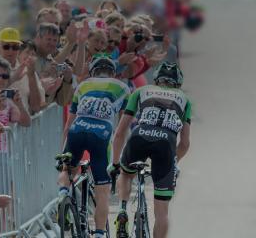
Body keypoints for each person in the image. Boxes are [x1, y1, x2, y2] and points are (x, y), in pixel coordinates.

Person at [111, 62, 192, 238]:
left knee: (126, 174)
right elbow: (185, 144)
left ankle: (123, 210)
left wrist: (115, 164)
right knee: (162, 213)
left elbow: (119, 133)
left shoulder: (141, 91)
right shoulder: (184, 99)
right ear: (178, 84)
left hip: (139, 136)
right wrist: (173, 161)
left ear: (156, 80)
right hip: (166, 143)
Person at [58, 55, 130, 238]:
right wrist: (119, 159)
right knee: (102, 190)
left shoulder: (83, 85)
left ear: (92, 72)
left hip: (77, 130)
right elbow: (123, 128)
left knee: (68, 168)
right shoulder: (122, 87)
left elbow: (68, 125)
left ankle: (62, 194)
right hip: (102, 134)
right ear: (113, 73)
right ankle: (98, 234)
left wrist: (62, 154)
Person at [0, 28, 43, 114]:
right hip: (0, 126)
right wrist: (12, 79)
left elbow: (36, 107)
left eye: (15, 47)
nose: (11, 51)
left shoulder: (28, 69)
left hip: (23, 125)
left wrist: (31, 76)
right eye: (6, 47)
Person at [0, 59, 31, 127]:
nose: (1, 79)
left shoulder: (9, 101)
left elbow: (26, 123)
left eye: (5, 76)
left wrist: (20, 105)